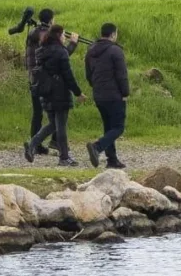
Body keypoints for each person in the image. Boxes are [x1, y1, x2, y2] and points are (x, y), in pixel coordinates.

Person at [25, 25, 86, 166]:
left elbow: (58, 59)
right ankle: (64, 157)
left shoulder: (42, 50)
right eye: (64, 34)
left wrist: (72, 44)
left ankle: (32, 144)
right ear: (58, 35)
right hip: (60, 92)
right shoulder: (60, 52)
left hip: (45, 92)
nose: (65, 37)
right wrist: (78, 92)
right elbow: (68, 75)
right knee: (61, 126)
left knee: (53, 124)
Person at [84, 23, 129, 169]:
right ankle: (97, 147)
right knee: (118, 127)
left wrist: (96, 87)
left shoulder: (90, 50)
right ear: (113, 34)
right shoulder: (116, 51)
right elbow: (121, 75)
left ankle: (112, 160)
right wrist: (125, 93)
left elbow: (88, 74)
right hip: (114, 95)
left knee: (108, 126)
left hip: (99, 94)